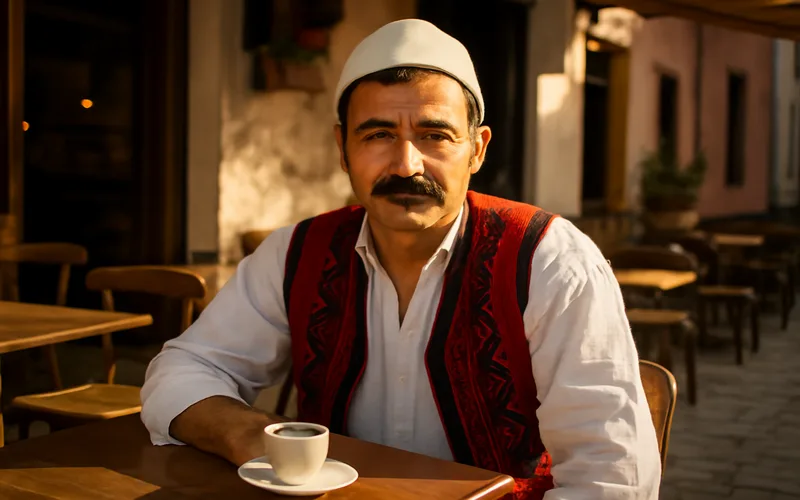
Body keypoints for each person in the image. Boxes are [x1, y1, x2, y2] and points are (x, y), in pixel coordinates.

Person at [141, 19, 661, 499]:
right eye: (378, 135)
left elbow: (611, 474)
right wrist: (246, 432)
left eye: (435, 135)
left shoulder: (549, 261)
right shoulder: (296, 254)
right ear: (342, 149)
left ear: (477, 150)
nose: (407, 164)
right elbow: (183, 369)